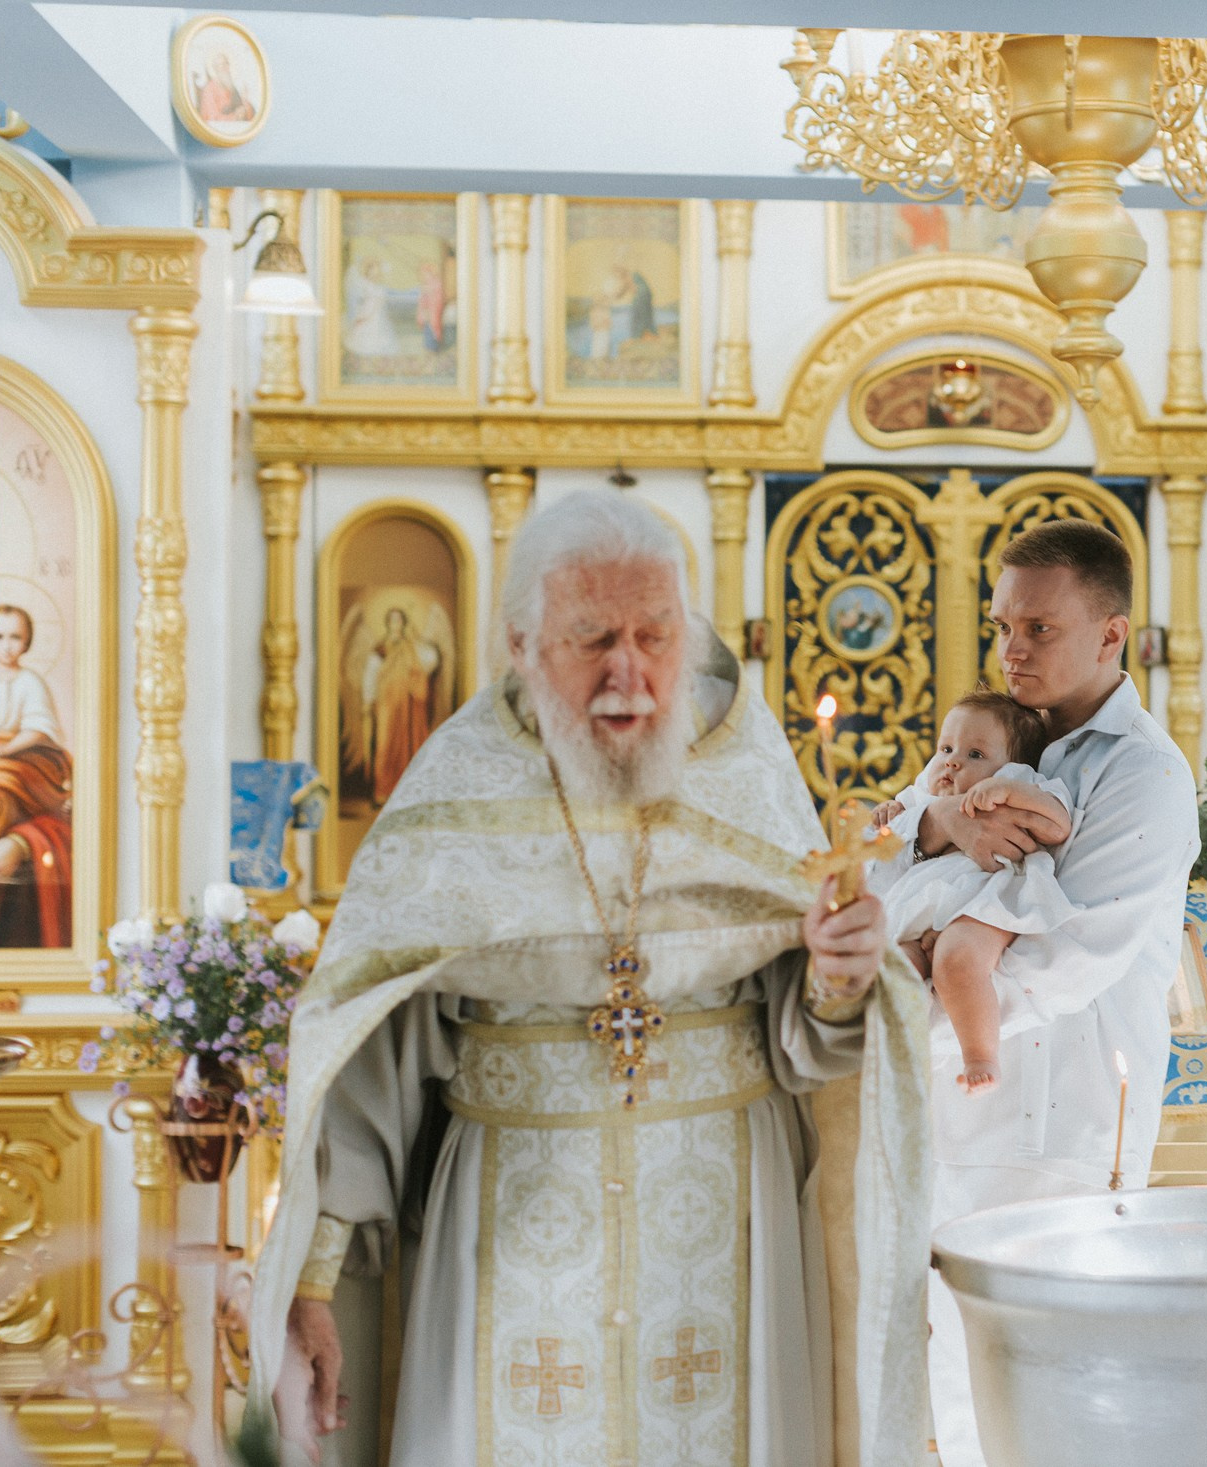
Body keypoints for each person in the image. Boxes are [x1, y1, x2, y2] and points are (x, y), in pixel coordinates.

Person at [245, 489, 932, 1467]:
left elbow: (808, 1030)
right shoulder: (458, 783)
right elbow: (372, 1039)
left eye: (656, 635)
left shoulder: (748, 759)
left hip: (726, 1213)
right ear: (521, 647)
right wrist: (315, 1284)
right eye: (591, 637)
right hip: (509, 1213)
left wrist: (838, 974)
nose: (631, 671)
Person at [874, 520, 1197, 1467]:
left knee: (1048, 1404)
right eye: (1003, 625)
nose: (1012, 648)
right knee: (939, 1386)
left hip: (1060, 1127)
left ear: (1112, 635)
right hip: (948, 1113)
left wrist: (893, 1015)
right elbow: (865, 856)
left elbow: (1065, 959)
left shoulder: (1141, 773)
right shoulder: (983, 740)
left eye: (1040, 629)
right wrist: (933, 823)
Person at [871, 688, 1076, 1095]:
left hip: (984, 901)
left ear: (1012, 765)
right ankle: (894, 1060)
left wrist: (1013, 794)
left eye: (975, 755)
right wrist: (890, 815)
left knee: (957, 960)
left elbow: (1058, 826)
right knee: (893, 969)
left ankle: (980, 1056)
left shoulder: (1018, 782)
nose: (952, 761)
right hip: (920, 908)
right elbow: (882, 848)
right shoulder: (925, 795)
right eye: (946, 747)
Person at [0, 606, 71, 947]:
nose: (6, 646)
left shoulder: (29, 682)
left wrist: (4, 751)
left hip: (18, 763)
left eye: (15, 637)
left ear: (27, 642)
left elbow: (39, 729)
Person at [360, 606, 441, 806]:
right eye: (392, 620)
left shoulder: (412, 646)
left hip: (408, 704)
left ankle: (409, 794)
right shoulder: (381, 648)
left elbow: (429, 663)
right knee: (385, 746)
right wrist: (368, 700)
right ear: (387, 623)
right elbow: (371, 675)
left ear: (404, 623)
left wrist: (415, 641)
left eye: (399, 620)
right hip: (387, 705)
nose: (395, 624)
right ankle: (383, 792)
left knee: (408, 746)